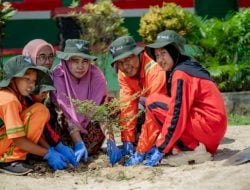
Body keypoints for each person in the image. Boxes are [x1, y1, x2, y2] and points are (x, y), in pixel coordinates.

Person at [126, 30, 227, 166]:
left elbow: (177, 114)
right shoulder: (186, 67)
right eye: (157, 55)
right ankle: (192, 147)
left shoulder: (181, 74)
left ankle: (193, 148)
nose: (160, 60)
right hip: (212, 130)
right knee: (154, 102)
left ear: (174, 52)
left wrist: (161, 148)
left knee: (153, 102)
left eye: (163, 53)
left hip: (208, 128)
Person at [0, 55, 70, 175]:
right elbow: (18, 139)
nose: (32, 85)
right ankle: (8, 160)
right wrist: (47, 154)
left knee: (39, 111)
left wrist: (49, 150)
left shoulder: (19, 97)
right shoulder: (9, 99)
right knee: (40, 110)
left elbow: (33, 128)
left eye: (33, 81)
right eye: (27, 79)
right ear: (12, 79)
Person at [108, 35, 166, 165]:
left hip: (170, 109)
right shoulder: (123, 73)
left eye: (128, 59)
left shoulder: (155, 70)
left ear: (138, 54)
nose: (125, 66)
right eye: (120, 62)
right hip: (149, 105)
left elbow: (156, 111)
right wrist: (127, 141)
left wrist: (141, 150)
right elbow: (127, 106)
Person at [50, 39, 109, 165]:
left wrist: (111, 141)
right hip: (65, 139)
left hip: (91, 138)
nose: (80, 66)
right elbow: (63, 112)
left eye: (85, 61)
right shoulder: (57, 76)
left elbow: (100, 111)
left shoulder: (96, 76)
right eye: (75, 61)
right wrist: (78, 142)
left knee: (110, 104)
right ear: (66, 61)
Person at [22, 39, 77, 167]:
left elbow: (43, 125)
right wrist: (49, 151)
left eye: (50, 56)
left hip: (40, 135)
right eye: (42, 57)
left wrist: (55, 147)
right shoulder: (23, 85)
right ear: (30, 56)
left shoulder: (51, 77)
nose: (47, 61)